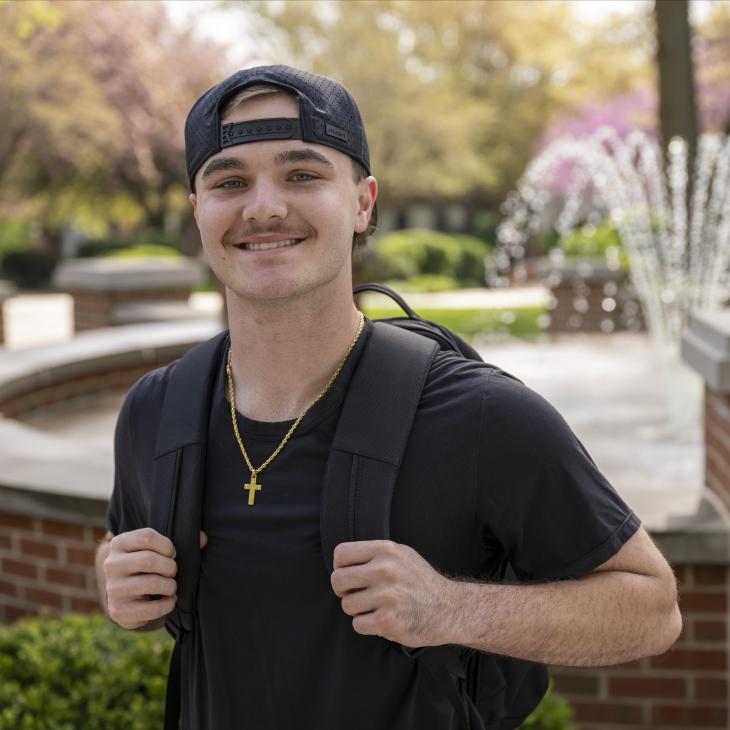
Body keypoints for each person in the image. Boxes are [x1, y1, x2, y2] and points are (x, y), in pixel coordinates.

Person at [95, 65, 681, 729]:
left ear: (364, 202)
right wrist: (115, 580)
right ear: (197, 209)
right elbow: (120, 543)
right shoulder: (155, 411)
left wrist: (453, 609)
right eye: (229, 181)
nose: (262, 206)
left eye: (302, 175)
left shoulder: (479, 415)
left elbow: (652, 606)